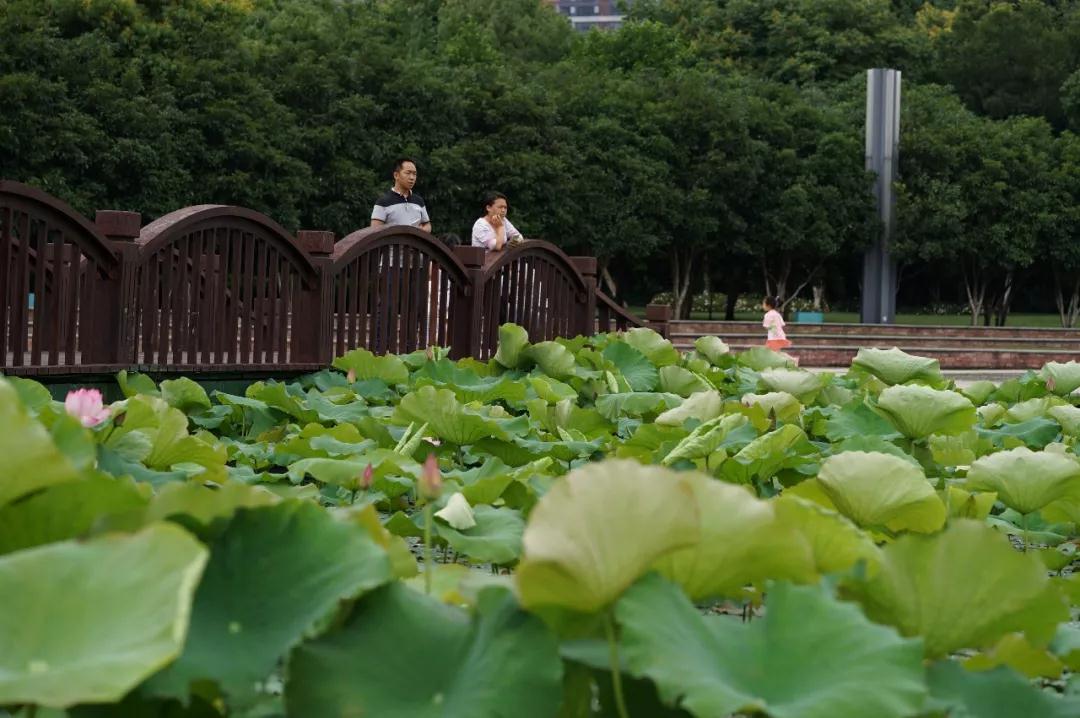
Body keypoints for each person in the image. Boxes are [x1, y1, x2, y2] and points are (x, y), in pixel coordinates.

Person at [371, 158, 432, 231]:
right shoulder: (383, 202)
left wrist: (419, 231)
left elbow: (427, 225)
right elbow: (374, 231)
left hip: (414, 242)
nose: (412, 178)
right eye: (408, 173)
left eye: (414, 174)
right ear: (396, 175)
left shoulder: (419, 201)